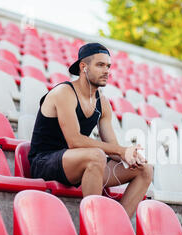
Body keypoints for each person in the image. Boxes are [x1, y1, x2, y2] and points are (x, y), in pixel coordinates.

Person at [28, 43, 153, 218]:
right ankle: (95, 227)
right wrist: (120, 150)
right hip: (45, 162)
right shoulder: (64, 92)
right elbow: (75, 141)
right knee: (96, 156)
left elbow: (113, 147)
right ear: (83, 67)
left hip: (81, 163)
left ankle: (117, 227)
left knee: (145, 169)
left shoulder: (103, 103)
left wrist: (129, 155)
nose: (107, 71)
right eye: (100, 65)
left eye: (108, 66)